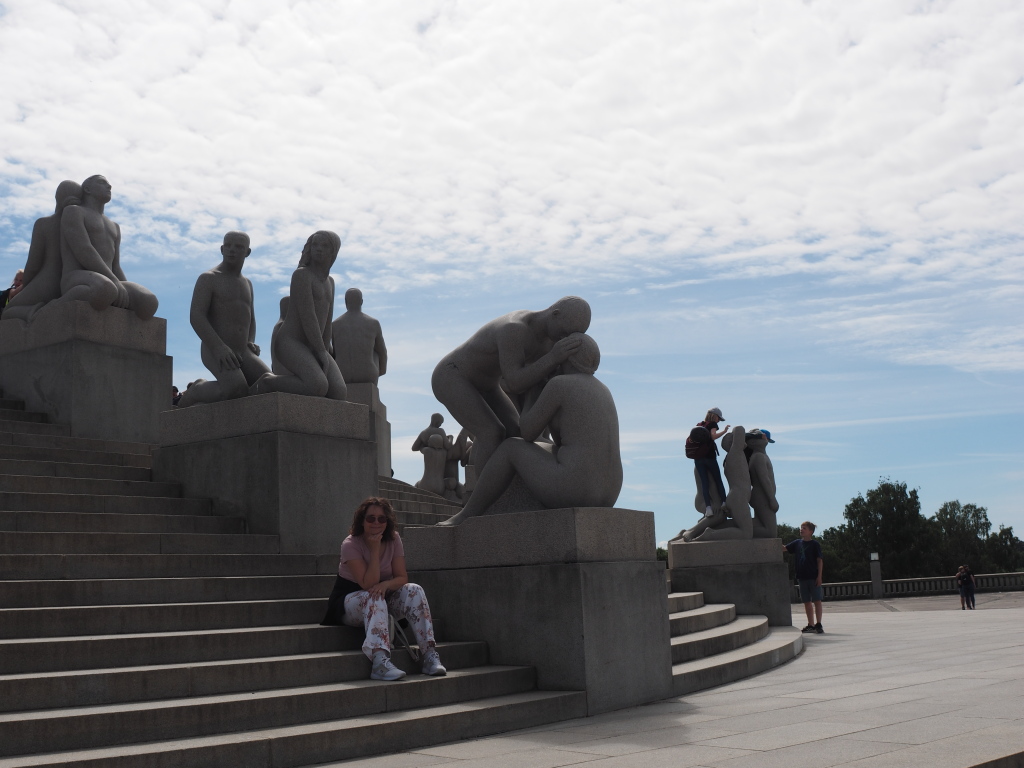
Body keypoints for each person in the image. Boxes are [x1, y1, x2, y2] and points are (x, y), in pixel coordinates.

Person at [439, 333, 622, 525]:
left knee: (511, 447)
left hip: (575, 489)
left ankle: (468, 513)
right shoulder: (603, 390)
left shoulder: (560, 384)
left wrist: (534, 391)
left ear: (566, 357)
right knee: (545, 447)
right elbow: (562, 443)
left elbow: (526, 432)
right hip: (610, 492)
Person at [431, 297, 591, 475]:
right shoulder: (514, 328)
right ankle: (481, 490)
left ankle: (505, 486)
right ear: (555, 314)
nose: (563, 339)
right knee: (491, 432)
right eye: (564, 333)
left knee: (517, 434)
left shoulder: (549, 342)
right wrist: (552, 358)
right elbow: (514, 382)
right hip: (452, 376)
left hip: (488, 385)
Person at [321, 497, 446, 681]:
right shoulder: (350, 544)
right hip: (349, 603)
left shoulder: (394, 539)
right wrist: (374, 550)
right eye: (370, 518)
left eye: (382, 518)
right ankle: (379, 662)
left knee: (414, 590)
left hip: (382, 597)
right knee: (373, 596)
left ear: (387, 521)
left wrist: (386, 584)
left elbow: (402, 577)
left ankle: (429, 655)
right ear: (362, 521)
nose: (376, 523)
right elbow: (367, 584)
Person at [176, 231, 271, 407]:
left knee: (269, 385)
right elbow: (196, 316)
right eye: (228, 245)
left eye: (238, 246)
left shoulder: (247, 283)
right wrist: (218, 347)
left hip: (243, 350)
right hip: (214, 347)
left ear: (247, 252)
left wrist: (250, 341)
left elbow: (250, 317)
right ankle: (197, 390)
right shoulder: (209, 278)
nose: (232, 250)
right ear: (221, 249)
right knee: (236, 389)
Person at [251, 231, 347, 400]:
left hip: (315, 344)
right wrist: (320, 351)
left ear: (333, 251)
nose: (318, 249)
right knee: (317, 385)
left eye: (324, 246)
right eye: (315, 244)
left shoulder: (330, 282)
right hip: (290, 342)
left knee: (338, 392)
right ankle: (268, 382)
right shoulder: (302, 275)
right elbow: (308, 317)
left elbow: (327, 323)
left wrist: (324, 351)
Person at [57, 175, 159, 319]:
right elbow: (84, 250)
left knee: (148, 301)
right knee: (106, 289)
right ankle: (53, 308)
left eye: (109, 184)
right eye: (102, 182)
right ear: (87, 189)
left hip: (108, 280)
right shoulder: (74, 211)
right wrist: (114, 281)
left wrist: (123, 287)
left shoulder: (114, 226)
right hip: (76, 277)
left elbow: (115, 265)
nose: (109, 186)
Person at [4, 180, 82, 323]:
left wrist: (26, 286)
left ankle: (37, 313)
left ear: (57, 198)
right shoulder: (85, 225)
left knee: (9, 312)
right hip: (73, 283)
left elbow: (33, 265)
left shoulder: (44, 223)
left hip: (48, 283)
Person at [331, 288, 387, 385]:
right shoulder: (373, 323)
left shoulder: (335, 324)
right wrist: (381, 372)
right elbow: (382, 353)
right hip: (367, 374)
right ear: (361, 302)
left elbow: (334, 352)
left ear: (346, 302)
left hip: (342, 375)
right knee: (376, 352)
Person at [689, 408, 730, 518]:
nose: (718, 421)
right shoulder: (712, 424)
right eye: (719, 418)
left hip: (698, 458)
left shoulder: (699, 425)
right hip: (709, 457)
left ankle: (708, 508)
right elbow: (713, 436)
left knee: (704, 483)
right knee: (718, 480)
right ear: (714, 416)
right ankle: (724, 502)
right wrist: (724, 431)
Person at [784, 521, 824, 633]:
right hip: (801, 577)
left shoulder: (815, 544)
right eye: (801, 527)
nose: (801, 529)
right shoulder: (797, 543)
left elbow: (820, 560)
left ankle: (818, 624)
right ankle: (811, 624)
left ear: (811, 531)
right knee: (806, 602)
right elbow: (785, 548)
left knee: (817, 600)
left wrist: (819, 576)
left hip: (813, 577)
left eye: (804, 528)